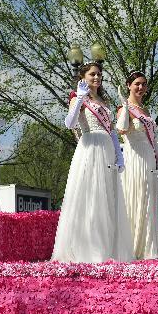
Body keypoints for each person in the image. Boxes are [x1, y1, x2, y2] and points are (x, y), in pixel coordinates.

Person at [52, 61, 133, 263]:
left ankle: (106, 248)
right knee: (91, 196)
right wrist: (79, 99)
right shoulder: (79, 99)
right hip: (90, 147)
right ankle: (89, 248)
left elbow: (112, 131)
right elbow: (69, 123)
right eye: (92, 74)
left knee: (106, 197)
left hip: (106, 149)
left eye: (99, 74)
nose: (96, 77)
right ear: (83, 77)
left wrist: (119, 154)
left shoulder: (103, 101)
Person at [115, 71, 158, 260]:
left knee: (149, 203)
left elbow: (154, 139)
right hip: (134, 159)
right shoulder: (123, 108)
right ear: (129, 85)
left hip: (149, 158)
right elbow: (122, 130)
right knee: (136, 199)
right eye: (137, 84)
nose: (141, 87)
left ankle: (148, 250)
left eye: (143, 84)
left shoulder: (145, 111)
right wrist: (126, 106)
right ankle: (132, 249)